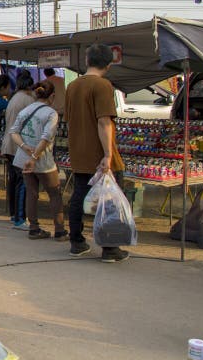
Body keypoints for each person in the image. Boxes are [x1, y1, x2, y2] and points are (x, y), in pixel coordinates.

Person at [65, 43, 128, 262]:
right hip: (99, 155)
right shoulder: (102, 85)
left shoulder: (72, 86)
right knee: (111, 200)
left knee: (78, 197)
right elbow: (104, 122)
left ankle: (77, 242)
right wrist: (108, 155)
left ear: (87, 60)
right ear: (109, 64)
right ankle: (110, 249)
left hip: (78, 152)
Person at [7, 81, 68, 241]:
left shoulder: (26, 110)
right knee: (54, 193)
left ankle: (33, 227)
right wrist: (34, 156)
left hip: (24, 158)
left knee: (31, 193)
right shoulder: (51, 113)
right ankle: (60, 229)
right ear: (52, 96)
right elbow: (46, 137)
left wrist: (25, 147)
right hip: (43, 160)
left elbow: (14, 132)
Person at [1, 70, 35, 229]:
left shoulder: (14, 98)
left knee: (14, 181)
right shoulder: (28, 100)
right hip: (18, 145)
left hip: (9, 144)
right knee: (22, 182)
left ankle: (14, 215)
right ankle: (20, 218)